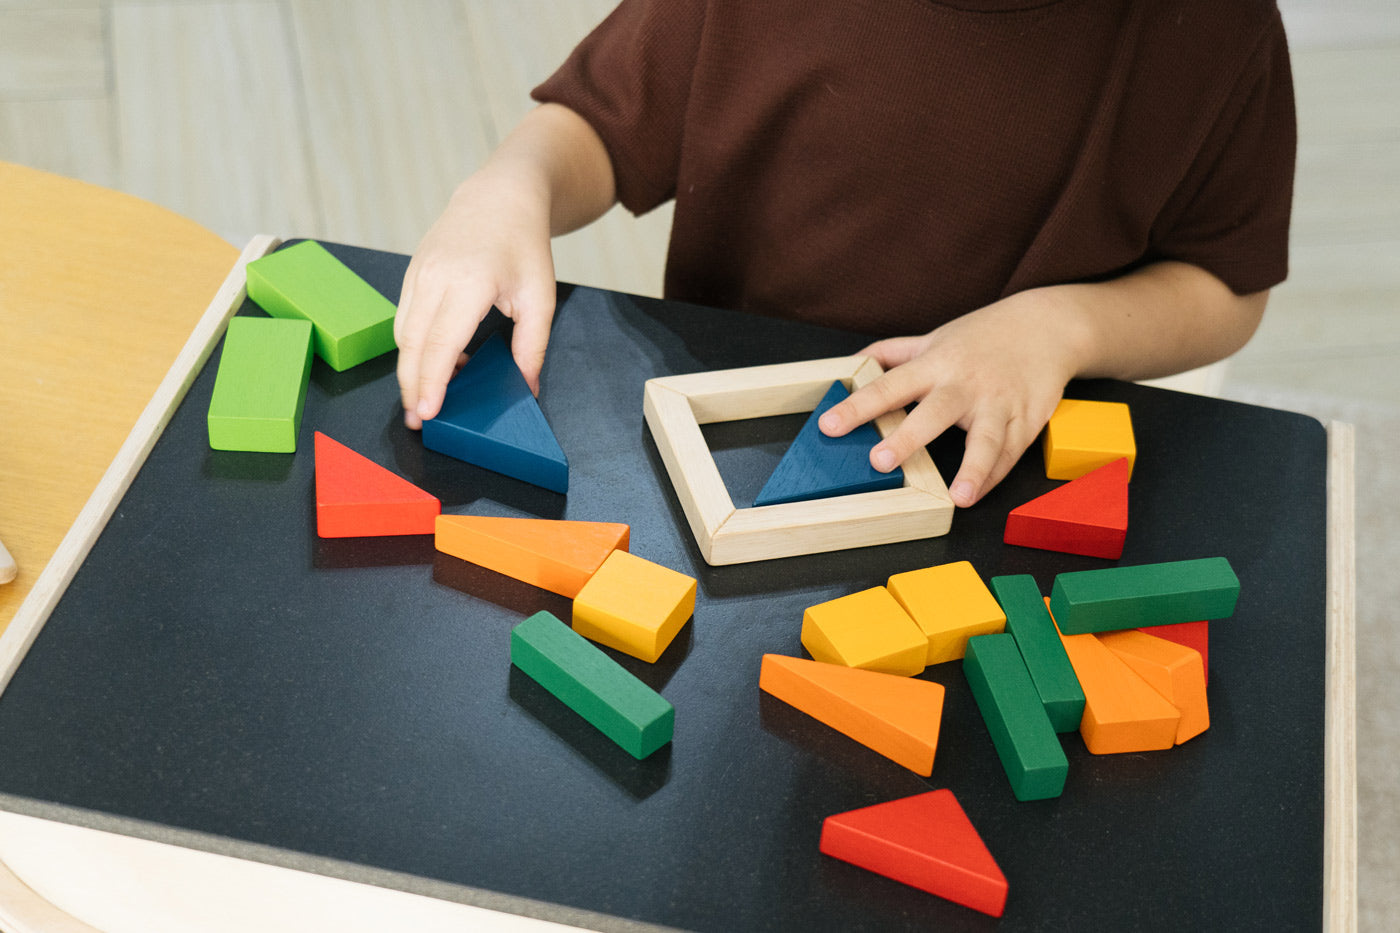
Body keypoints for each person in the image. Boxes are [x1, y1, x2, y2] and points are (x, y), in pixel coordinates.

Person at [394, 0, 1295, 508]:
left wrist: (1062, 327)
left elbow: (1226, 281)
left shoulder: (1219, 32)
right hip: (737, 449)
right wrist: (513, 181)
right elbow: (604, 124)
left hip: (1003, 486)